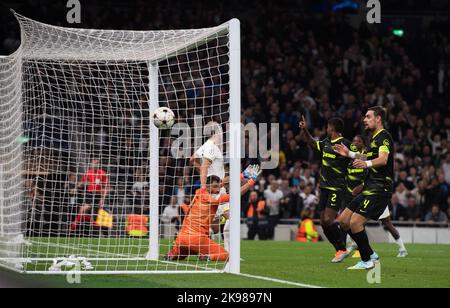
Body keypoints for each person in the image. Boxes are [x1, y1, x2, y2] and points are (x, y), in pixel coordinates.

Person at [334, 106, 394, 270]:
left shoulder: (384, 137)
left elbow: (383, 160)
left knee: (355, 222)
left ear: (378, 118)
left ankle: (367, 260)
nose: (364, 119)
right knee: (344, 221)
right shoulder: (375, 139)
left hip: (380, 188)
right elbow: (369, 156)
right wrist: (350, 154)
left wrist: (366, 164)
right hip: (369, 186)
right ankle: (370, 253)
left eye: (368, 116)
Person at [299, 116, 353, 263]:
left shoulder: (346, 144)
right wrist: (304, 130)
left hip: (336, 188)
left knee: (329, 219)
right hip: (323, 188)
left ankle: (346, 240)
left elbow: (357, 160)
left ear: (332, 128)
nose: (326, 129)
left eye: (328, 127)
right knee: (323, 222)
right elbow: (311, 143)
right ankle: (340, 250)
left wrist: (350, 157)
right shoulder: (326, 142)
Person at [345, 135, 408, 258]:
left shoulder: (375, 150)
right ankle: (357, 245)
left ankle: (402, 248)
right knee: (352, 220)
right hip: (366, 194)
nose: (355, 143)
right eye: (354, 140)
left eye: (358, 141)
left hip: (376, 193)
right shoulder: (355, 160)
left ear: (363, 144)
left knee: (387, 224)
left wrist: (361, 186)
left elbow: (380, 163)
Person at [165, 175, 255, 261]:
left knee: (182, 255)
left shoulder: (199, 191)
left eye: (219, 187)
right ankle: (207, 257)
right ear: (207, 186)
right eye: (215, 187)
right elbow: (234, 196)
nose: (218, 189)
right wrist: (250, 183)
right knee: (227, 255)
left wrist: (242, 176)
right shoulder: (211, 199)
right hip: (196, 239)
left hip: (182, 238)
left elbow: (222, 183)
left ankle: (173, 253)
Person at [69, 159, 110, 232]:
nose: (95, 165)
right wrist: (75, 188)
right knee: (82, 211)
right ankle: (95, 225)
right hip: (89, 195)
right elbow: (81, 183)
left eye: (97, 163)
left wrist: (103, 199)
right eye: (94, 163)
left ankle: (72, 228)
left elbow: (106, 187)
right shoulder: (88, 173)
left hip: (97, 195)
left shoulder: (102, 173)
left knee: (83, 210)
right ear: (91, 164)